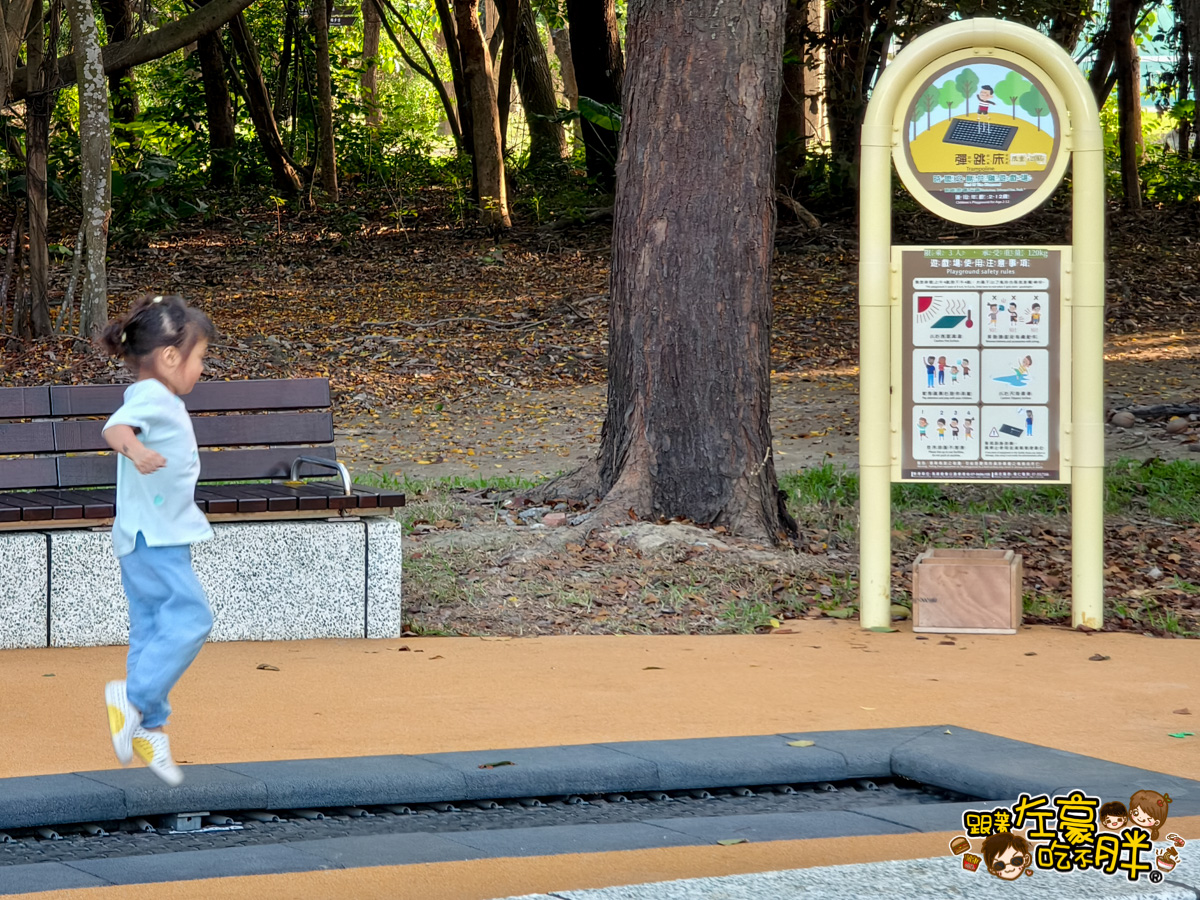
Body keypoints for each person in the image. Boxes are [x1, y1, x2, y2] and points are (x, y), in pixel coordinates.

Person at [100, 294, 217, 787]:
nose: (201, 369)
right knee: (192, 618)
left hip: (146, 536)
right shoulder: (151, 395)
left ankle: (150, 726)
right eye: (200, 358)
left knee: (151, 628)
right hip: (155, 538)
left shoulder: (161, 397)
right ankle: (136, 699)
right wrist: (136, 450)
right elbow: (115, 429)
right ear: (170, 357)